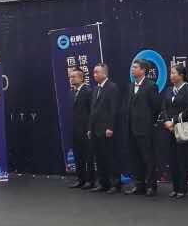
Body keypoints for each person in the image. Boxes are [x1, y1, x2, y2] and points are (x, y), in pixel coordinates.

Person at [125, 59, 161, 196]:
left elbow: (156, 107)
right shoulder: (130, 85)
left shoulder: (151, 86)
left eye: (135, 67)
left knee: (148, 158)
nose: (132, 70)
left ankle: (151, 186)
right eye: (132, 67)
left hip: (145, 129)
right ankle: (139, 184)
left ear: (143, 70)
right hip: (131, 128)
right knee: (135, 158)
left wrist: (148, 123)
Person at [159, 63, 188, 199]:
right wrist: (167, 121)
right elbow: (163, 108)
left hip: (182, 128)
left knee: (182, 159)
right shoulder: (169, 90)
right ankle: (175, 187)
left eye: (174, 73)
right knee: (172, 159)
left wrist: (173, 121)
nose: (171, 75)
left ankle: (182, 189)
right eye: (171, 73)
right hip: (169, 129)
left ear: (181, 75)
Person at [88, 63, 121, 194]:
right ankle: (103, 183)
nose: (94, 74)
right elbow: (92, 110)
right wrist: (89, 128)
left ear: (105, 73)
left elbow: (114, 109)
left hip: (106, 129)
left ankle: (115, 184)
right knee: (99, 157)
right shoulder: (95, 89)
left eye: (97, 72)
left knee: (110, 157)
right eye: (93, 72)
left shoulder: (112, 87)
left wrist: (110, 127)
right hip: (95, 129)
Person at [68, 67, 95, 189]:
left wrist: (89, 128)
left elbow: (91, 112)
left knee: (88, 156)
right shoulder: (73, 92)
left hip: (85, 130)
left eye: (73, 77)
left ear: (81, 77)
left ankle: (90, 180)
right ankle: (81, 179)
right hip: (76, 129)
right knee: (78, 156)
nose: (71, 79)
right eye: (70, 77)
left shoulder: (88, 91)